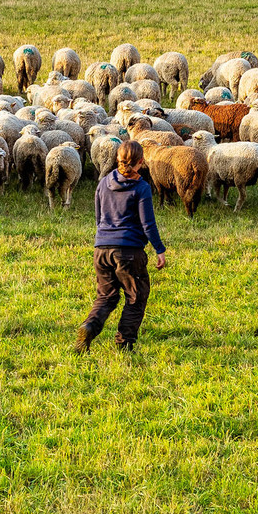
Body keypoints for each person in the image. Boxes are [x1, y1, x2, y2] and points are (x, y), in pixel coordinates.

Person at [76, 137, 166, 354]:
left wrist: (105, 238)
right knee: (136, 295)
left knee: (106, 296)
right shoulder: (141, 187)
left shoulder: (103, 182)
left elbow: (98, 218)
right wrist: (159, 249)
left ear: (118, 159)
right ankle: (125, 342)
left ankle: (89, 326)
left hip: (101, 248)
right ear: (141, 161)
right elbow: (147, 223)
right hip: (128, 251)